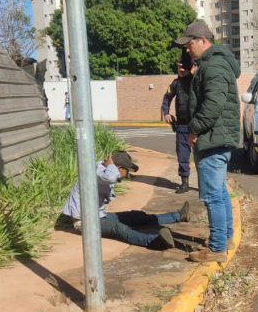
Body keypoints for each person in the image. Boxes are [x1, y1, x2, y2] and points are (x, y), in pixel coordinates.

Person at [175, 22, 241, 263]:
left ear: (202, 40)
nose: (188, 50)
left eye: (189, 44)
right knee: (220, 192)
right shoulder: (209, 65)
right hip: (215, 137)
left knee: (212, 195)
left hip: (212, 139)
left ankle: (216, 249)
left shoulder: (214, 66)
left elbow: (213, 105)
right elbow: (199, 97)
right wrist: (185, 79)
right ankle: (226, 239)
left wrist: (193, 130)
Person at [62, 151, 191, 249]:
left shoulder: (105, 170)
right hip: (84, 223)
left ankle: (178, 216)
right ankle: (154, 242)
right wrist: (111, 165)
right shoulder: (100, 172)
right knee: (119, 228)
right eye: (127, 171)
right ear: (119, 168)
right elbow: (110, 177)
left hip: (99, 216)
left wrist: (111, 166)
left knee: (137, 215)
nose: (128, 174)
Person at [162, 49, 194, 194]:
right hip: (181, 125)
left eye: (184, 67)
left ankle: (205, 185)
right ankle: (184, 183)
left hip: (197, 125)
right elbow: (167, 97)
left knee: (201, 157)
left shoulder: (196, 81)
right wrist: (166, 113)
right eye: (179, 67)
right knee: (182, 155)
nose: (181, 69)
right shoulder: (176, 83)